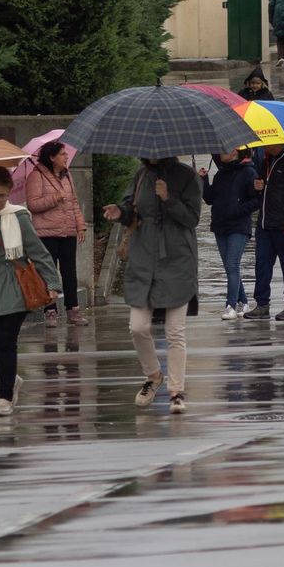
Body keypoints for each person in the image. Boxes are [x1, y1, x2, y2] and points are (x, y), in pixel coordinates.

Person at [0, 166, 64, 417]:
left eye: (2, 196)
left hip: (13, 285)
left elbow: (38, 252)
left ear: (8, 194)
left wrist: (52, 284)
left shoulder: (19, 217)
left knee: (6, 342)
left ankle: (4, 395)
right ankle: (10, 379)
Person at [102, 157, 202, 414]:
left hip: (178, 260)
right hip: (144, 259)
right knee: (137, 326)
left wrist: (169, 198)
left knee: (175, 331)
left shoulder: (188, 176)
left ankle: (176, 392)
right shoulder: (141, 175)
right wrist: (120, 213)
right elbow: (130, 209)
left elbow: (192, 218)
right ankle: (154, 376)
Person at [243, 140, 284, 321]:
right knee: (262, 265)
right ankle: (262, 304)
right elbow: (263, 190)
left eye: (266, 142)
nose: (263, 145)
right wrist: (258, 187)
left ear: (277, 141)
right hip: (265, 225)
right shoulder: (267, 160)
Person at [25, 140, 87, 326]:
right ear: (51, 157)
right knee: (48, 272)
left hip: (67, 231)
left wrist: (80, 225)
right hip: (46, 233)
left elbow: (74, 203)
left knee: (70, 272)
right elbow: (33, 204)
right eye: (62, 154)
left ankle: (73, 310)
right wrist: (54, 198)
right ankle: (50, 311)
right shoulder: (37, 176)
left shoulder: (68, 176)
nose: (66, 157)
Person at [200, 148, 260, 319]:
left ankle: (230, 305)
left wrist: (239, 210)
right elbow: (210, 199)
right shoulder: (220, 175)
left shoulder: (249, 172)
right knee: (229, 267)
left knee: (232, 264)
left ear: (235, 152)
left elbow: (257, 200)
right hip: (220, 226)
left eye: (223, 150)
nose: (219, 153)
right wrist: (204, 180)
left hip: (239, 226)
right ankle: (244, 302)